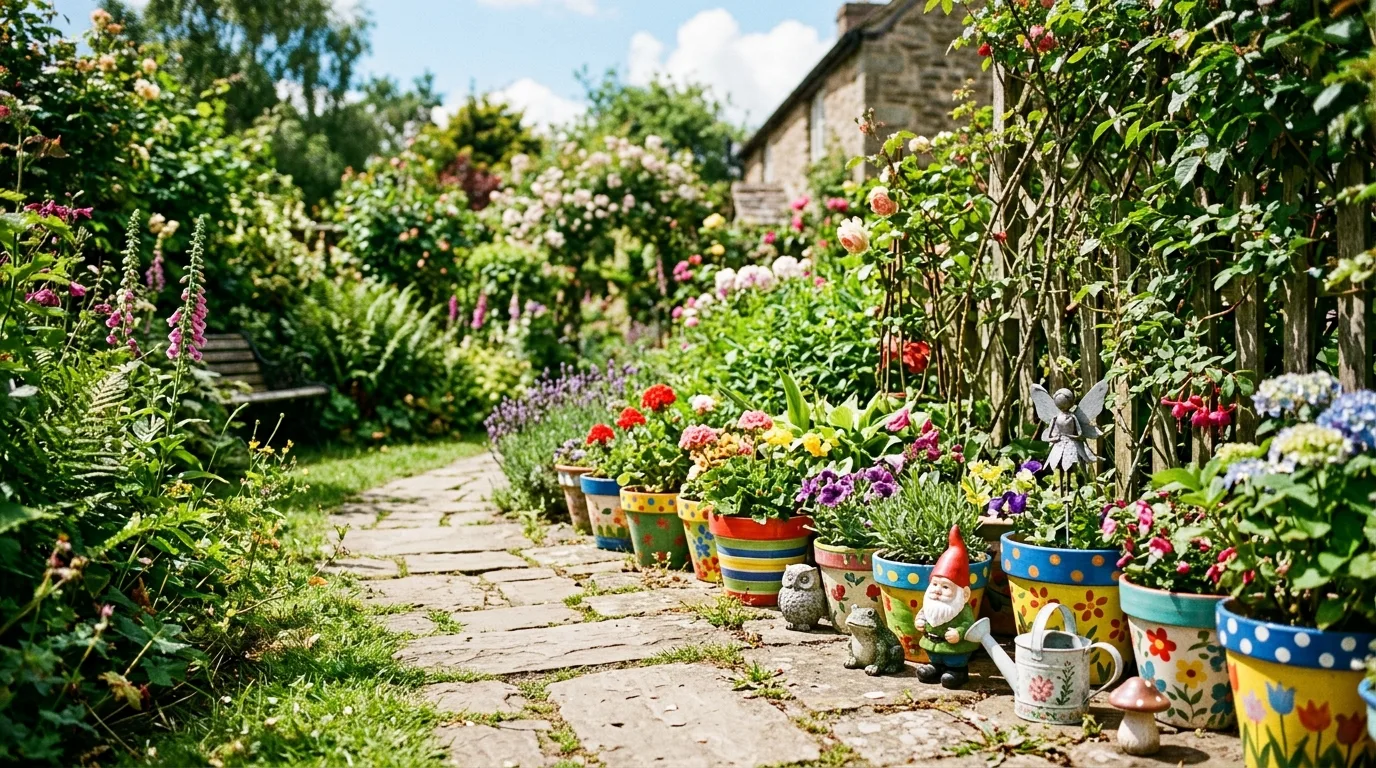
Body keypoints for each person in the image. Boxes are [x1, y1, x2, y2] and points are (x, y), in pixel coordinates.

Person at [913, 526, 980, 689]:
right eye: (935, 584)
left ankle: (958, 672)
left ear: (963, 594)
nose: (937, 590)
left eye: (945, 587)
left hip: (955, 649)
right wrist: (920, 621)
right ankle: (935, 667)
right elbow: (924, 613)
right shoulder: (931, 605)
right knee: (934, 658)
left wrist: (959, 632)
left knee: (955, 661)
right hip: (933, 643)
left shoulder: (961, 609)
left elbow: (968, 624)